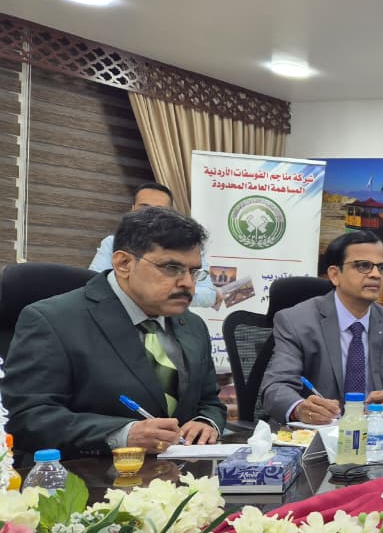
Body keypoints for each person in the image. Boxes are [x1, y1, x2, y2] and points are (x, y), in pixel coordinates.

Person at [3, 207, 225, 456]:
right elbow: (28, 417)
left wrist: (207, 422)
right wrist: (122, 434)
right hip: (90, 473)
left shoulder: (193, 325)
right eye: (172, 268)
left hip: (181, 472)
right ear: (124, 264)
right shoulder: (51, 320)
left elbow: (209, 401)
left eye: (193, 271)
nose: (188, 283)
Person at [259, 231, 383, 424]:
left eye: (381, 267)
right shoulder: (296, 321)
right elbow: (275, 387)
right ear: (335, 275)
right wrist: (299, 408)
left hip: (376, 434)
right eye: (363, 266)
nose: (375, 274)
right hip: (316, 434)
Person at [89, 182, 221, 308]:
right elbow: (94, 284)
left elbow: (209, 295)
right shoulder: (112, 243)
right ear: (132, 209)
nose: (150, 216)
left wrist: (167, 294)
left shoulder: (189, 248)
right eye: (144, 208)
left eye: (159, 211)